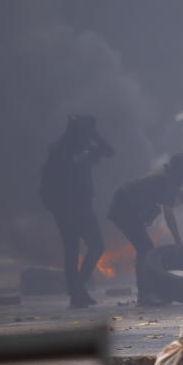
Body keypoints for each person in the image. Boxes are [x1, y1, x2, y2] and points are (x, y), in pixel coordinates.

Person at [39, 114, 115, 308]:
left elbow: (109, 151)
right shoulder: (72, 150)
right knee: (95, 246)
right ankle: (77, 289)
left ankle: (77, 292)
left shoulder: (65, 148)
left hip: (66, 209)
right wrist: (94, 135)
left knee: (72, 251)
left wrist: (92, 134)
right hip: (75, 208)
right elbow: (107, 151)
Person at [108, 153, 183, 306]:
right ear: (181, 170)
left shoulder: (167, 177)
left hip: (127, 206)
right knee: (145, 248)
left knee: (145, 248)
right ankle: (145, 294)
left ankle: (147, 292)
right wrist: (178, 242)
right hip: (124, 208)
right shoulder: (165, 180)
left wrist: (178, 194)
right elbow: (169, 215)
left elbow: (157, 193)